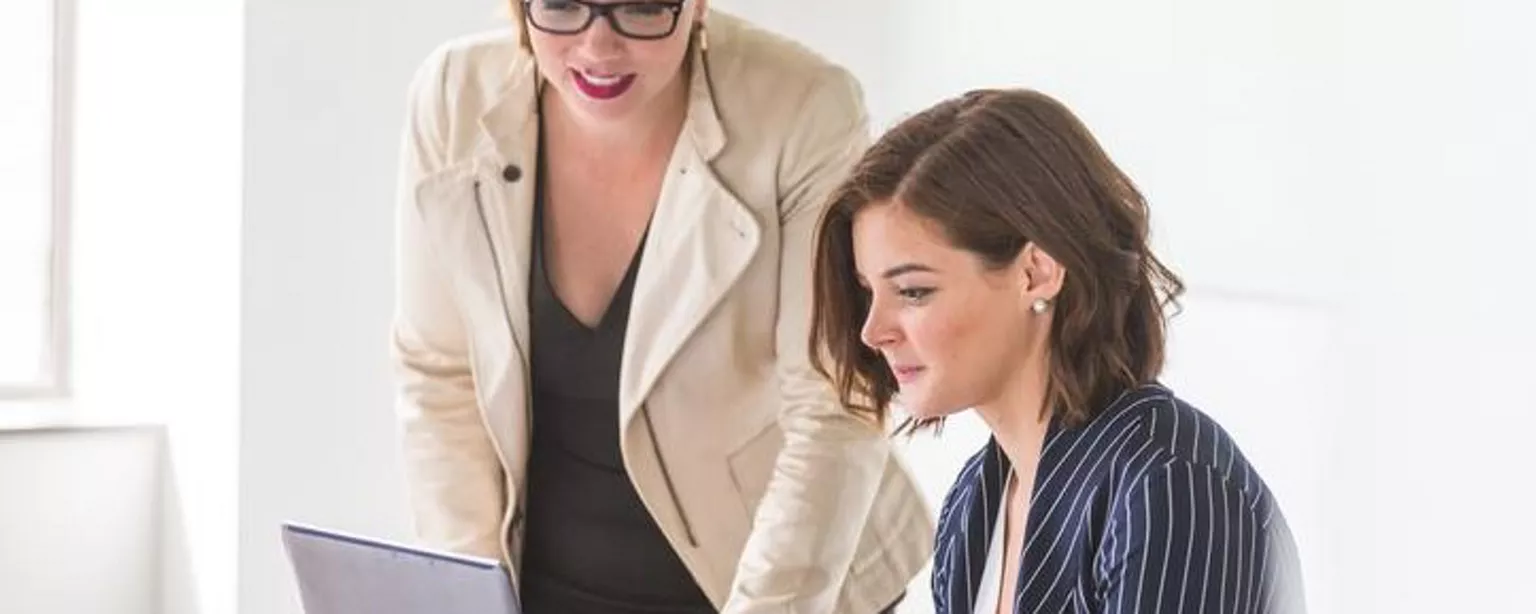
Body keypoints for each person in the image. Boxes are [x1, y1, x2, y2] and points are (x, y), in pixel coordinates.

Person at [389, 1, 931, 612]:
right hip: (547, 588)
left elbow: (833, 399)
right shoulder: (453, 98)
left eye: (642, 7)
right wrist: (472, 599)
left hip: (780, 582)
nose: (598, 47)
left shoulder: (803, 108)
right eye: (563, 5)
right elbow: (441, 373)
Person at [808, 88, 1307, 614]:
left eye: (913, 291)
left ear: (1036, 273)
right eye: (868, 292)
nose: (872, 330)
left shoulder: (1171, 486)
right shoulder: (973, 508)